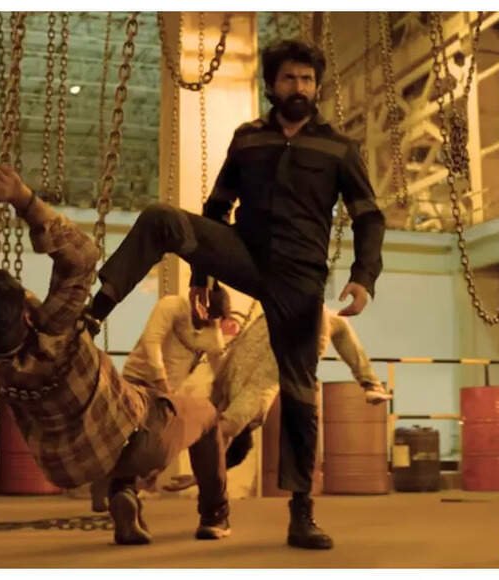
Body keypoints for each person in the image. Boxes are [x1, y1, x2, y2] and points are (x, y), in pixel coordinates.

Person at [86, 39, 386, 550]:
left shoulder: (338, 147)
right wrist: (201, 276)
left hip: (299, 274)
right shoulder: (248, 139)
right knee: (162, 218)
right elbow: (217, 206)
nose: (299, 87)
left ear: (317, 87)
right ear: (271, 85)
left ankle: (301, 513)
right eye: (289, 78)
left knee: (298, 391)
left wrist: (364, 276)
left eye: (307, 79)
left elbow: (369, 217)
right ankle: (95, 311)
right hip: (245, 252)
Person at [0, 164, 230, 545]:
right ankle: (215, 515)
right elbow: (82, 255)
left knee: (129, 413)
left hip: (66, 467)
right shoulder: (57, 328)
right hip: (133, 438)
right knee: (204, 415)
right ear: (27, 314)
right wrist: (24, 199)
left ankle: (123, 493)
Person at [164, 305, 393, 492]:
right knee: (336, 322)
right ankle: (370, 383)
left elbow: (219, 436)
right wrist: (197, 475)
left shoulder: (226, 397)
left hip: (284, 318)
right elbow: (222, 432)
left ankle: (370, 383)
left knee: (337, 322)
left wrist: (196, 476)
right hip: (294, 330)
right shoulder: (246, 406)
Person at [87, 289, 236, 513]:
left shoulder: (212, 334)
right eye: (206, 312)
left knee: (154, 445)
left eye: (213, 317)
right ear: (195, 298)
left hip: (167, 394)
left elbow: (219, 369)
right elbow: (152, 341)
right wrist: (161, 381)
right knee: (124, 437)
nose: (207, 319)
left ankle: (125, 492)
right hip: (138, 381)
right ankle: (110, 486)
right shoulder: (171, 306)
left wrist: (229, 397)